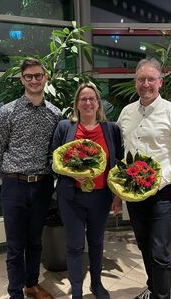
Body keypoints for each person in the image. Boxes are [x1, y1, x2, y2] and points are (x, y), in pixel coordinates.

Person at [114, 58, 171, 299]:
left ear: (160, 82)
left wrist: (155, 182)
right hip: (133, 193)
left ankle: (161, 297)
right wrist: (119, 190)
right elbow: (121, 152)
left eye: (150, 79)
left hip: (160, 193)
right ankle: (152, 288)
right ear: (135, 82)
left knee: (159, 251)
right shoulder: (126, 113)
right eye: (141, 79)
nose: (145, 84)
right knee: (143, 245)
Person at [0, 57, 61, 299]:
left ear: (45, 77)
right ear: (22, 79)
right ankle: (15, 293)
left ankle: (31, 284)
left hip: (41, 186)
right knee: (14, 245)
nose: (33, 80)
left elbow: (55, 151)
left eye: (38, 76)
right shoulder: (7, 111)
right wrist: (11, 174)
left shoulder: (55, 113)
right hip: (14, 185)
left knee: (35, 241)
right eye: (28, 76)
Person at [51, 82, 122, 299]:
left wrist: (118, 195)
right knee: (74, 246)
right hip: (71, 197)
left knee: (96, 242)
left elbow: (118, 163)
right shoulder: (65, 127)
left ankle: (97, 284)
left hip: (100, 197)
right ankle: (77, 291)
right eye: (83, 99)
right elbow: (52, 161)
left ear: (98, 103)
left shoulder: (111, 129)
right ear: (77, 104)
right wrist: (70, 174)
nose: (88, 102)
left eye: (92, 98)